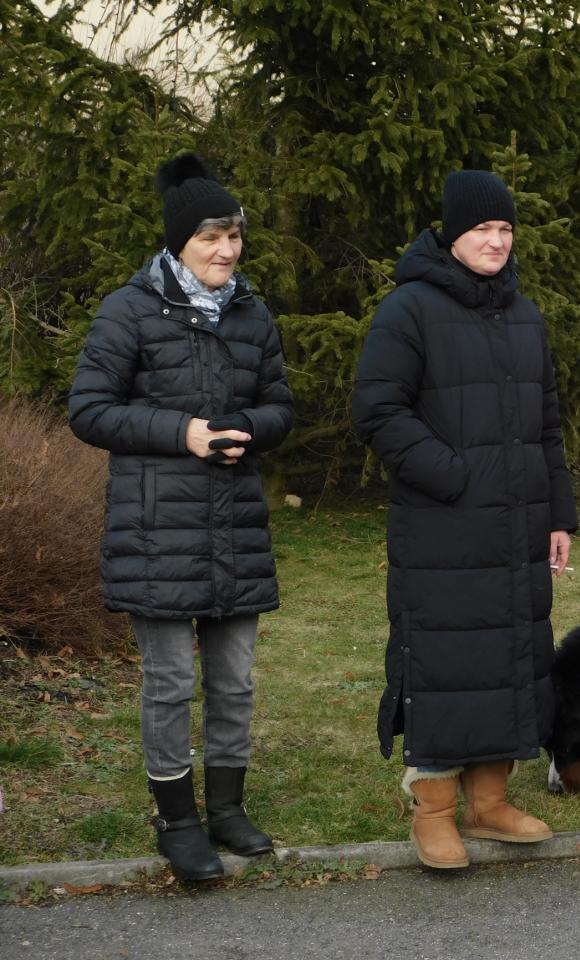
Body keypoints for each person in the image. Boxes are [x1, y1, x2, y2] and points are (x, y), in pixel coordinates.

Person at [68, 153, 293, 882]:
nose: (226, 251)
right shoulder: (128, 310)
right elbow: (89, 411)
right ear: (179, 243)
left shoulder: (252, 313)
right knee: (168, 683)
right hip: (155, 531)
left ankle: (226, 809)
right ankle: (177, 821)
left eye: (234, 236)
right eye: (210, 238)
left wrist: (249, 427)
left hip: (235, 528)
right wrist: (183, 433)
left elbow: (280, 405)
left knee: (235, 682)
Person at [352, 170, 578, 871]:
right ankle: (435, 813)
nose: (497, 240)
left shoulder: (524, 314)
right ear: (453, 233)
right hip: (443, 527)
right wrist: (454, 476)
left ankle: (489, 803)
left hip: (517, 527)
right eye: (483, 228)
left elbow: (547, 424)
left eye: (506, 228)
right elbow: (379, 412)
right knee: (446, 662)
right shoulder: (409, 309)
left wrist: (558, 513)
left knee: (510, 659)